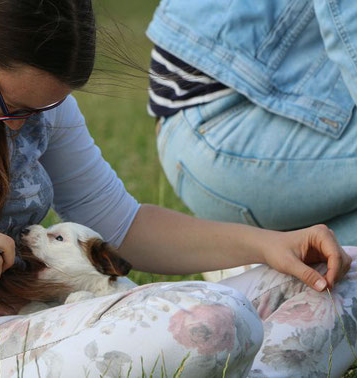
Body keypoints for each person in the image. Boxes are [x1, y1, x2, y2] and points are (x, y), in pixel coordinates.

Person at [0, 0, 355, 376]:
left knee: (342, 279)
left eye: (40, 109)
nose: (20, 124)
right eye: (12, 105)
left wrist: (267, 246)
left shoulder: (27, 97)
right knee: (215, 322)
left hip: (61, 322)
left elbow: (122, 224)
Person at [146, 0, 357, 248]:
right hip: (220, 123)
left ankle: (256, 258)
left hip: (234, 117)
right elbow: (343, 14)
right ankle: (255, 257)